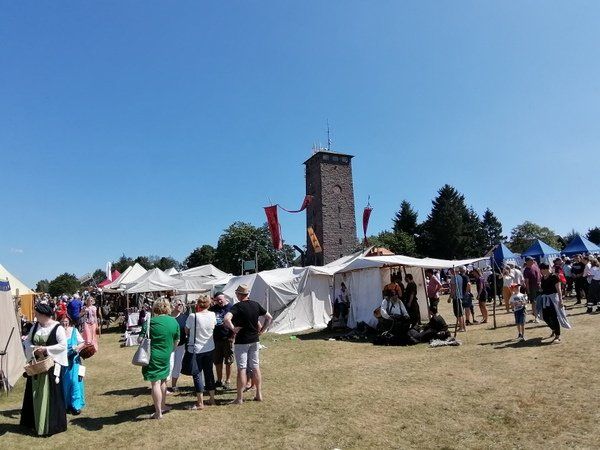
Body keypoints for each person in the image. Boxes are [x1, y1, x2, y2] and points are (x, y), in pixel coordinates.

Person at [20, 303, 68, 436]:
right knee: (35, 393)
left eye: (37, 314)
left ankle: (49, 426)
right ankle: (34, 424)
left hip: (50, 366)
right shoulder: (35, 326)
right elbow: (27, 341)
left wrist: (46, 349)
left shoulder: (57, 327)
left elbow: (63, 345)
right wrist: (33, 349)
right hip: (36, 366)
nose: (35, 316)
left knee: (50, 394)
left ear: (43, 315)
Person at [223, 284, 272, 404]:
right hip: (254, 340)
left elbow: (226, 319)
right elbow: (269, 317)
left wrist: (233, 329)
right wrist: (262, 330)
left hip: (242, 341)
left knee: (242, 368)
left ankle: (239, 398)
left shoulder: (237, 306)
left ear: (239, 294)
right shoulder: (255, 304)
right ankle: (258, 394)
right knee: (255, 366)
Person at [140, 299, 179, 419]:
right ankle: (162, 406)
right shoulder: (174, 321)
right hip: (166, 354)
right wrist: (171, 350)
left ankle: (158, 412)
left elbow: (140, 339)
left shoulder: (150, 322)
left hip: (153, 355)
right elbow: (177, 340)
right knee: (163, 380)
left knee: (155, 382)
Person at [185, 296, 217, 409]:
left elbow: (186, 330)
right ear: (209, 304)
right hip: (210, 347)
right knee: (209, 373)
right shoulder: (212, 315)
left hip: (196, 349)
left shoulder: (193, 316)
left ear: (198, 304)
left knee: (197, 374)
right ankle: (212, 399)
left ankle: (200, 402)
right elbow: (214, 326)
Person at [59, 314, 86, 414]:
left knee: (75, 382)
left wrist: (77, 348)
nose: (64, 323)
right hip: (63, 362)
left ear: (69, 321)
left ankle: (76, 405)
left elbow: (82, 342)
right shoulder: (58, 333)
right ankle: (66, 405)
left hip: (74, 361)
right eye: (62, 321)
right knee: (65, 383)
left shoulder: (74, 331)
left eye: (66, 321)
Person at [538, 262, 571, 343]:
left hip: (553, 299)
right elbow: (543, 289)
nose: (541, 271)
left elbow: (559, 290)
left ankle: (557, 335)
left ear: (546, 269)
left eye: (542, 270)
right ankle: (553, 329)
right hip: (545, 299)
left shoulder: (554, 277)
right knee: (545, 317)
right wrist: (540, 289)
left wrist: (561, 300)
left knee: (554, 317)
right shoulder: (543, 278)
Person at [209, 292, 234, 390]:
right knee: (217, 361)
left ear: (225, 298)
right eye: (217, 300)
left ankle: (228, 381)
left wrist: (233, 335)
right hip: (216, 339)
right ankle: (219, 380)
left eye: (221, 299)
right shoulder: (212, 309)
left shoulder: (231, 308)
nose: (219, 301)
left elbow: (236, 322)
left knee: (228, 361)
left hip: (228, 338)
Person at [168, 299, 188, 393]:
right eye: (179, 304)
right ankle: (164, 385)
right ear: (173, 306)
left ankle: (174, 385)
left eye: (182, 304)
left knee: (178, 365)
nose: (181, 306)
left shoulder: (185, 317)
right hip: (169, 346)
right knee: (170, 364)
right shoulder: (168, 318)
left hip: (181, 345)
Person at [523, 257, 541, 322]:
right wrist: (528, 291)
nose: (533, 260)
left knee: (540, 301)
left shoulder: (535, 267)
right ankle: (536, 317)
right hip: (532, 288)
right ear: (527, 262)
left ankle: (540, 315)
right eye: (531, 260)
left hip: (539, 287)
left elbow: (540, 275)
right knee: (534, 302)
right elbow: (526, 281)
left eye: (533, 259)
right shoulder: (526, 270)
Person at [448, 268, 466, 332]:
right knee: (461, 313)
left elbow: (453, 289)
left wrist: (450, 297)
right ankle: (463, 326)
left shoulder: (453, 278)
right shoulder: (460, 277)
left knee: (458, 313)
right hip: (460, 296)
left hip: (456, 297)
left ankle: (461, 327)